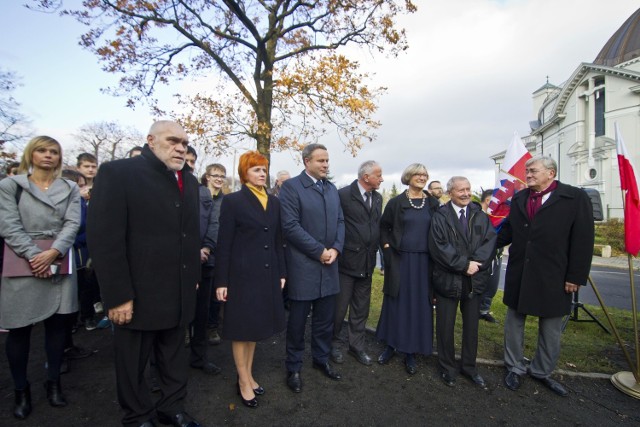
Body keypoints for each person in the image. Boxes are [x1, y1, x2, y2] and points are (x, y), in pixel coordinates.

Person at [87, 120, 201, 427]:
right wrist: (118, 295)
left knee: (174, 357)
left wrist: (193, 279)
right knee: (133, 362)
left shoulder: (189, 181)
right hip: (136, 294)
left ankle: (172, 408)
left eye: (185, 143)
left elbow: (190, 236)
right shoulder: (118, 173)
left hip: (178, 291)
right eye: (173, 140)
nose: (181, 147)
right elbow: (104, 239)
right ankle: (138, 416)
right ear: (150, 140)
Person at [498, 155, 594, 397]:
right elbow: (508, 230)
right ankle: (515, 367)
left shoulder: (574, 198)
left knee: (550, 326)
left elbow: (583, 240)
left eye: (533, 171)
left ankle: (542, 371)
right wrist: (483, 246)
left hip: (555, 273)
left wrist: (576, 276)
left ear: (551, 173)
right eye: (527, 171)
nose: (528, 174)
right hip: (521, 270)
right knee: (514, 322)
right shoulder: (519, 197)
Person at [0, 136, 81, 420]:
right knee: (19, 329)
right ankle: (21, 390)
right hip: (23, 261)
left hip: (59, 259)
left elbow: (73, 222)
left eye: (54, 152)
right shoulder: (11, 186)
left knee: (58, 328)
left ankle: (53, 384)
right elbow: (8, 224)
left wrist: (55, 251)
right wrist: (35, 255)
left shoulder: (70, 187)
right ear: (31, 154)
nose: (48, 155)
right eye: (42, 150)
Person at [215, 151, 286, 408]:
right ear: (245, 173)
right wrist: (221, 281)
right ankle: (243, 381)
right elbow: (224, 244)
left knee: (254, 330)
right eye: (256, 169)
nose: (262, 173)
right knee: (241, 330)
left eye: (264, 169)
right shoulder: (233, 201)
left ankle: (249, 374)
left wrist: (281, 273)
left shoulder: (274, 202)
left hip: (267, 275)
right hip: (241, 276)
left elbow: (278, 240)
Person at [280, 143, 345, 393]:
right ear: (306, 161)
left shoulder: (331, 189)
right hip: (303, 267)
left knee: (324, 321)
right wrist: (319, 251)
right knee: (297, 323)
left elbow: (340, 221)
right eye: (321, 161)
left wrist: (336, 249)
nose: (326, 165)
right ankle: (294, 366)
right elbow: (290, 226)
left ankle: (321, 359)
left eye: (327, 160)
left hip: (329, 265)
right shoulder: (292, 187)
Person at [428, 176, 496, 389]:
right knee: (445, 327)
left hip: (474, 281)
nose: (466, 193)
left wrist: (476, 264)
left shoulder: (479, 215)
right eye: (461, 190)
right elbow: (438, 247)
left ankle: (469, 367)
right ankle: (447, 368)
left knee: (471, 328)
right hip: (448, 280)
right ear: (450, 193)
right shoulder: (440, 216)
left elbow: (489, 241)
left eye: (468, 189)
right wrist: (463, 265)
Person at [376, 163, 439, 375]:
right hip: (400, 260)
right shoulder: (396, 203)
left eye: (425, 174)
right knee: (397, 302)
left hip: (425, 263)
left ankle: (411, 350)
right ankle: (391, 345)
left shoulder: (433, 203)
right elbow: (384, 227)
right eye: (418, 174)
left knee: (419, 305)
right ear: (408, 177)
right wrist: (387, 250)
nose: (422, 177)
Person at [331, 160, 383, 366]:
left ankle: (356, 346)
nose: (381, 178)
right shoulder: (343, 195)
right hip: (346, 263)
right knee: (338, 308)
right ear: (366, 176)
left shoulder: (377, 198)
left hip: (367, 264)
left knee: (361, 309)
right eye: (378, 175)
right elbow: (335, 224)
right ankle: (331, 344)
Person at [185, 147, 221, 375]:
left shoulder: (203, 194)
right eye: (185, 160)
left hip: (204, 260)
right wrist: (191, 250)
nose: (187, 165)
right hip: (178, 262)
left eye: (191, 161)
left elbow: (213, 223)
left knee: (201, 312)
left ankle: (199, 357)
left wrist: (206, 247)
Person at [203, 163, 227, 346]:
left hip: (217, 255)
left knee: (214, 296)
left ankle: (212, 328)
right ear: (208, 177)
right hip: (197, 254)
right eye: (216, 175)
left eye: (222, 175)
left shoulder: (225, 201)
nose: (219, 178)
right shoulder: (197, 196)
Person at [478, 188, 502, 323]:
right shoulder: (477, 215)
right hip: (480, 257)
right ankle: (473, 310)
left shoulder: (498, 218)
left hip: (495, 256)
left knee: (491, 286)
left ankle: (484, 311)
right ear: (488, 200)